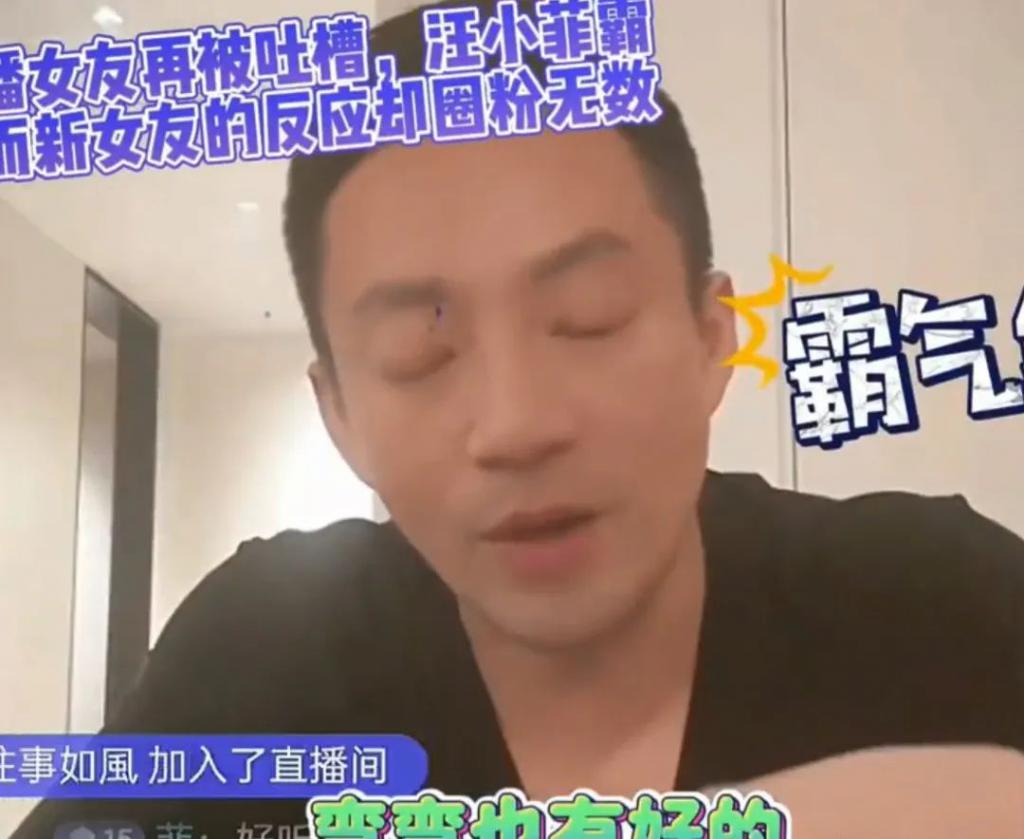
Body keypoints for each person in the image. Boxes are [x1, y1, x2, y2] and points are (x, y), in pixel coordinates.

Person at [15, 0, 1024, 836]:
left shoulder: (934, 601)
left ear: (711, 337)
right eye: (418, 353)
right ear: (341, 415)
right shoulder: (268, 648)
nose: (515, 423)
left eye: (588, 317)